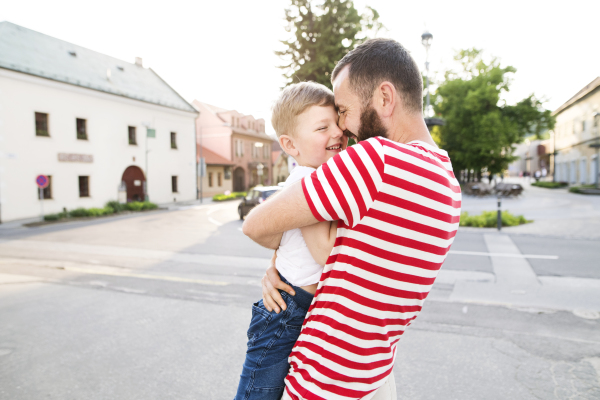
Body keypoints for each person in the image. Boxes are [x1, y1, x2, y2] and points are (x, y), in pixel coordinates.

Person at [243, 38, 461, 399]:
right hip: (373, 377)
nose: (342, 128)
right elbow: (360, 260)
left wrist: (278, 264)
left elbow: (255, 224)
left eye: (343, 110)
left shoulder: (377, 160)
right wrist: (287, 264)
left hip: (324, 381)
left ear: (385, 98)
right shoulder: (448, 185)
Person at [234, 82, 346, 400]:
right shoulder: (308, 182)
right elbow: (325, 252)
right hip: (285, 312)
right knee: (257, 393)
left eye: (337, 122)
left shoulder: (319, 178)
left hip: (294, 307)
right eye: (323, 127)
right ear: (290, 144)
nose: (337, 132)